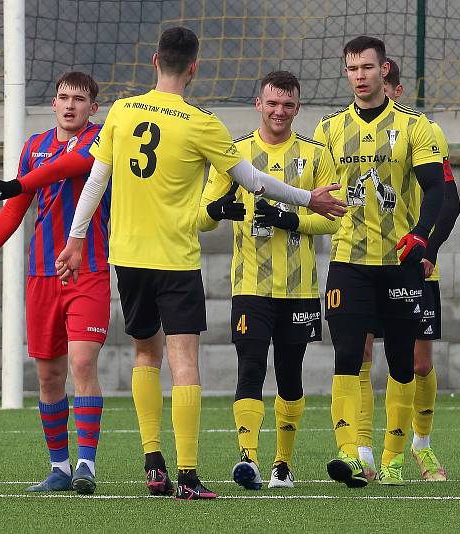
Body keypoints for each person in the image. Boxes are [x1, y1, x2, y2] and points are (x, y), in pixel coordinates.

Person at [54, 27, 345, 500]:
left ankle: (153, 463)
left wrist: (76, 240)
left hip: (127, 257)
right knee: (183, 362)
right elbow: (253, 181)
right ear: (193, 67)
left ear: (154, 61)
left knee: (144, 355)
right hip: (175, 258)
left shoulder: (122, 111)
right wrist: (307, 197)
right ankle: (187, 476)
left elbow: (95, 181)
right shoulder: (201, 123)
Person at [0, 72, 110, 494]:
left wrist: (18, 183)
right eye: (64, 97)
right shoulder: (33, 146)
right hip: (42, 274)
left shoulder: (104, 139)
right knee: (49, 376)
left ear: (93, 107)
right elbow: (15, 210)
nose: (71, 105)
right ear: (53, 103)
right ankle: (60, 468)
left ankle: (86, 464)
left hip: (89, 268)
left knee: (83, 364)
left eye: (80, 99)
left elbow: (71, 166)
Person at [198, 71, 340, 490]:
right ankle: (249, 459)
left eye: (288, 105)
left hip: (299, 288)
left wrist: (289, 216)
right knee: (250, 368)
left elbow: (333, 217)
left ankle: (283, 464)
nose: (279, 111)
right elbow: (202, 217)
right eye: (272, 103)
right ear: (258, 104)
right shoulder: (235, 153)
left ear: (298, 108)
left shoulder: (315, 154)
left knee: (291, 373)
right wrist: (221, 210)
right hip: (250, 287)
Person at [313, 36, 444, 487]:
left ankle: (393, 459)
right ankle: (352, 454)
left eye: (367, 67)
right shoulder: (328, 129)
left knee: (404, 361)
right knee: (348, 354)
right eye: (352, 69)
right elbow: (320, 191)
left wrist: (421, 238)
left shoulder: (413, 126)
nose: (360, 76)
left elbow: (438, 190)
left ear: (384, 69)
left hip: (400, 261)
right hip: (348, 260)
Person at [356, 58, 460, 482]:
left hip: (412, 265)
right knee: (359, 355)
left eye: (395, 89)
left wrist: (429, 248)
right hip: (363, 265)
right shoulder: (351, 134)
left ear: (396, 90)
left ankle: (421, 445)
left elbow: (450, 201)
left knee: (418, 363)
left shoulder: (424, 132)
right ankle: (363, 454)